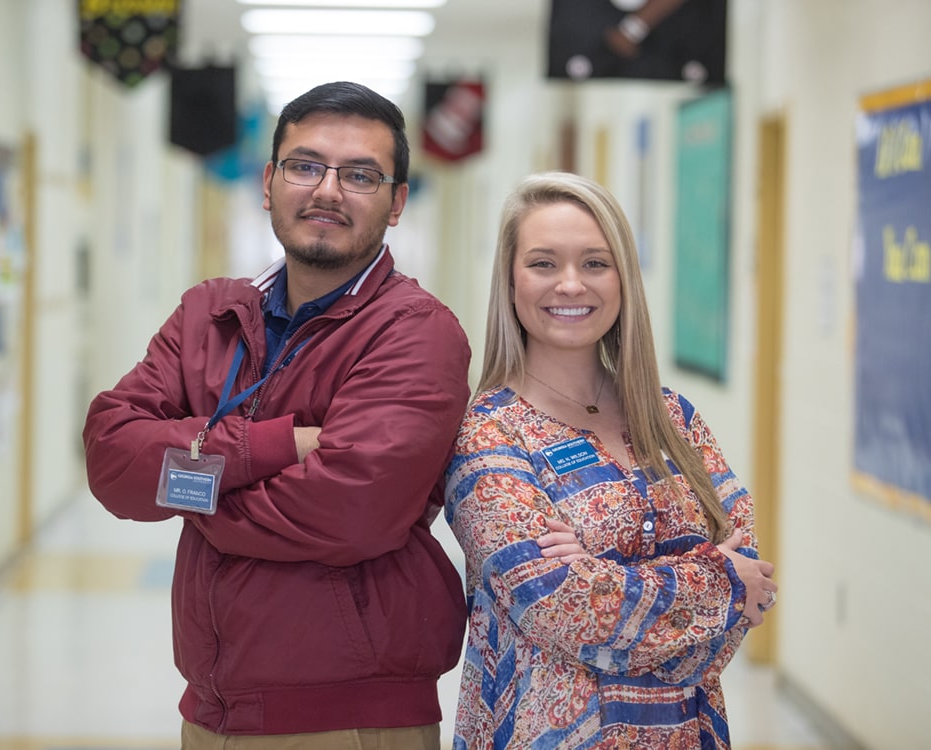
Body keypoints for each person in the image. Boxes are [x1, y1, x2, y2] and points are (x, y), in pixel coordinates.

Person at [82, 81, 473, 748]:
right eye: (305, 165)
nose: (326, 190)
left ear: (397, 201)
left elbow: (351, 509)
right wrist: (274, 447)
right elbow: (114, 457)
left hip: (351, 717)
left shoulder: (416, 333)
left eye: (359, 175)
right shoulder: (211, 312)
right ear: (269, 181)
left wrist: (189, 489)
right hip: (211, 708)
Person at [444, 171, 777, 749]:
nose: (571, 285)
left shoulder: (673, 419)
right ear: (510, 280)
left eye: (595, 263)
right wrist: (714, 583)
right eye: (544, 263)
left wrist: (613, 586)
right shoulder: (488, 435)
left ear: (624, 278)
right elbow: (567, 608)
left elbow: (751, 583)